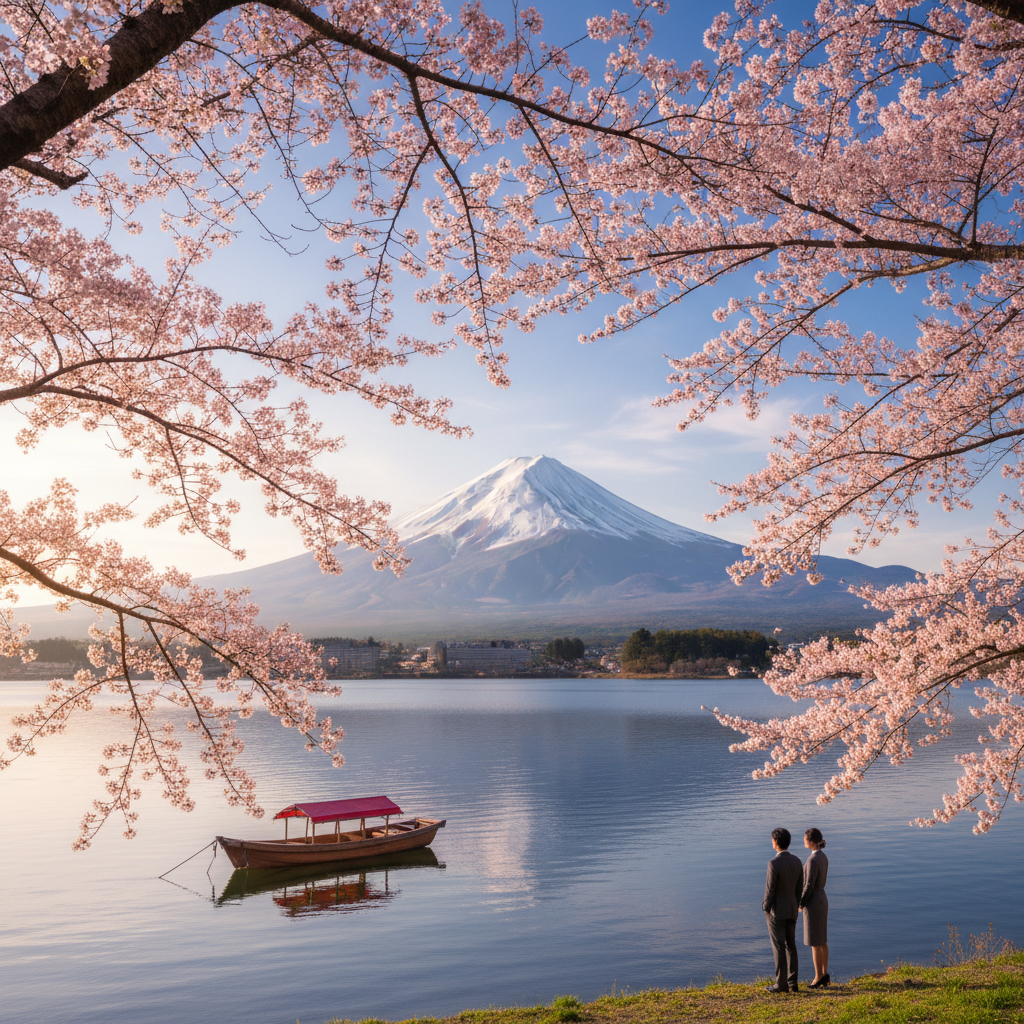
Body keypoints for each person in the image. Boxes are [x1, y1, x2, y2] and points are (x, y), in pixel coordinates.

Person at [762, 827, 803, 993]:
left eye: (772, 840)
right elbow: (799, 888)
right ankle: (793, 982)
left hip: (776, 911)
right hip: (792, 909)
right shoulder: (797, 861)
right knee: (791, 945)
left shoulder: (773, 863)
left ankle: (780, 984)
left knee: (778, 946)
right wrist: (797, 903)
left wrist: (765, 906)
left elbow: (770, 889)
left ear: (776, 843)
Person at [800, 827, 830, 988]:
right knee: (823, 941)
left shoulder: (812, 860)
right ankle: (824, 974)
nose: (803, 841)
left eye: (805, 839)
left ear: (810, 842)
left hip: (813, 902)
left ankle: (818, 977)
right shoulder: (823, 856)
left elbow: (808, 885)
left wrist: (801, 903)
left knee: (814, 942)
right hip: (822, 898)